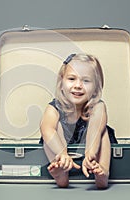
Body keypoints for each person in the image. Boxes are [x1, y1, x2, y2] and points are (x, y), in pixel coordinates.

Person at [40, 53, 117, 189]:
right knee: (52, 131)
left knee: (103, 132)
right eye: (71, 79)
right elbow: (46, 128)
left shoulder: (98, 107)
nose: (78, 85)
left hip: (92, 147)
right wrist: (63, 154)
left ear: (96, 88)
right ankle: (61, 174)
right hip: (60, 150)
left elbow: (95, 130)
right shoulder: (54, 107)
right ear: (61, 83)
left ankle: (102, 172)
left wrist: (90, 154)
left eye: (86, 81)